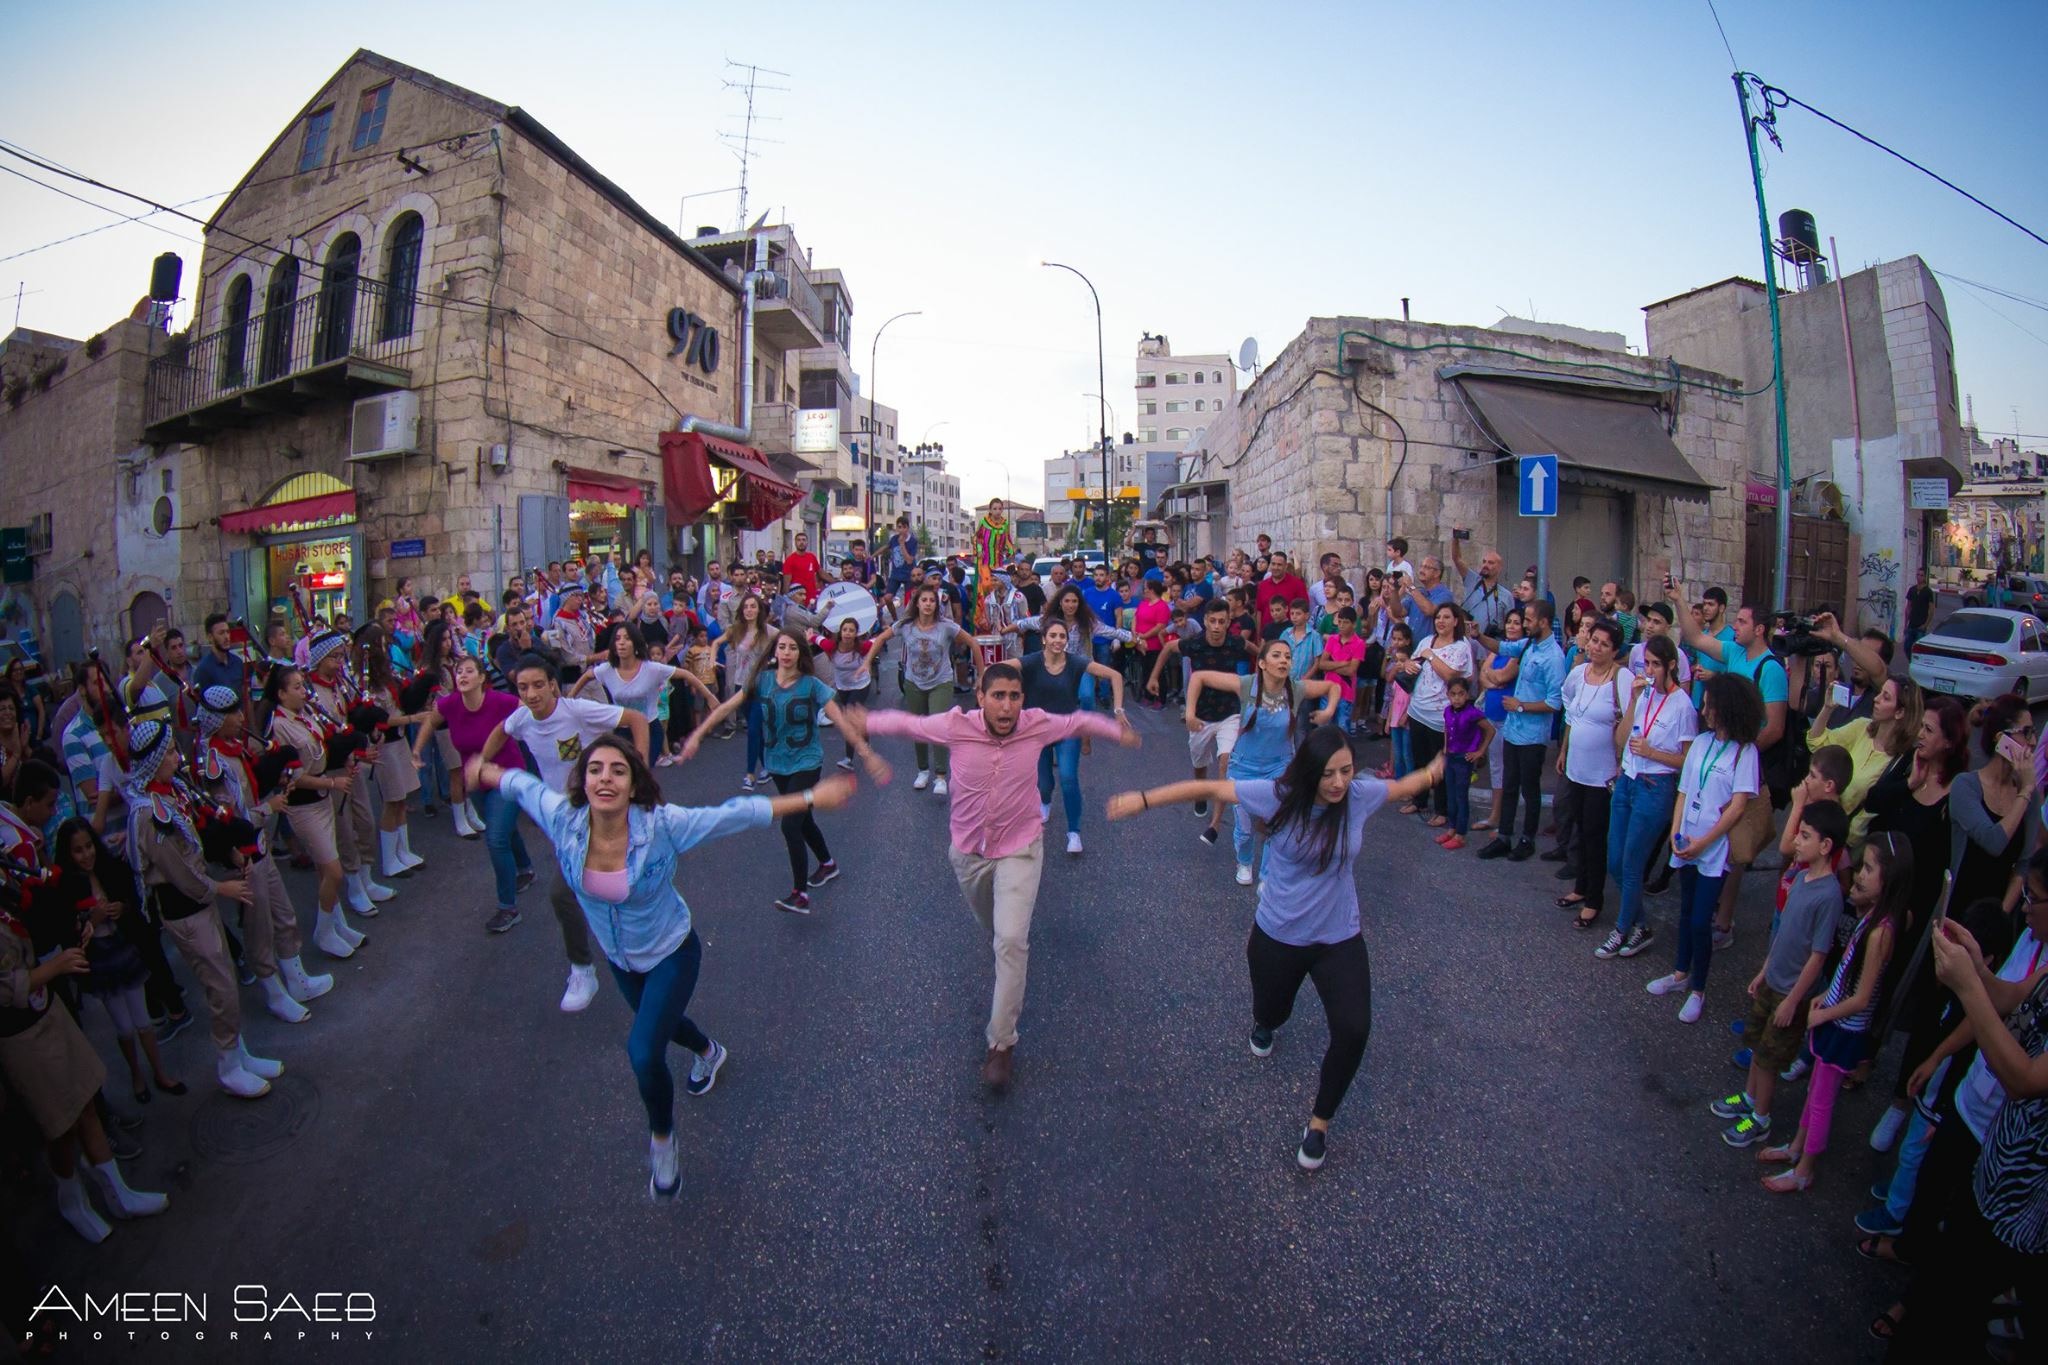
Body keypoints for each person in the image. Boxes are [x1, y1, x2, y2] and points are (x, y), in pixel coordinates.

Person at [467, 735, 856, 1196]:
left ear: (633, 785)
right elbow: (521, 784)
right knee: (665, 1027)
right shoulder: (564, 819)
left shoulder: (662, 826)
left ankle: (663, 1142)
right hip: (621, 960)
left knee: (643, 1050)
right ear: (583, 781)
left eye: (617, 770)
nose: (605, 778)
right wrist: (488, 771)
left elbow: (736, 814)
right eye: (595, 770)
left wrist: (811, 797)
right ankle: (709, 1051)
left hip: (672, 950)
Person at [1108, 729, 1445, 1170]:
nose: (1340, 783)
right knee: (1272, 1010)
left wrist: (1435, 771)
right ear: (1308, 773)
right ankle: (1266, 1023)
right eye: (1329, 775)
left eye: (1346, 771)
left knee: (1354, 1029)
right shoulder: (1277, 795)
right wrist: (1144, 800)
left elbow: (1405, 785)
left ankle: (1319, 1124)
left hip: (1339, 936)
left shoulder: (1358, 795)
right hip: (1279, 933)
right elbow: (1208, 786)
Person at [840, 665, 1137, 1089]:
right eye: (997, 695)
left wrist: (1115, 729)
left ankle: (1001, 1045)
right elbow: (912, 725)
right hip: (968, 853)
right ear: (980, 696)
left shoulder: (1035, 725)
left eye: (1015, 696)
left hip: (1021, 847)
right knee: (993, 927)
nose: (1007, 705)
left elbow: (1077, 720)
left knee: (1011, 942)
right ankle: (1001, 942)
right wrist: (869, 720)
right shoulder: (957, 726)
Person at [1, 820, 170, 1240]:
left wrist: (72, 934)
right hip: (20, 1031)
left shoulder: (9, 879)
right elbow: (8, 988)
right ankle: (71, 1200)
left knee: (85, 1102)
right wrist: (53, 967)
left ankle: (119, 1193)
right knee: (59, 1126)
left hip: (48, 1011)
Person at [120, 719, 279, 1098]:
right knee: (220, 985)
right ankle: (227, 1064)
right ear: (154, 760)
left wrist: (229, 851)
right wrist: (220, 887)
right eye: (171, 752)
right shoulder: (149, 814)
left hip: (199, 902)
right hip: (185, 908)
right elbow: (179, 873)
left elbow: (202, 835)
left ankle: (237, 1052)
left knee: (223, 974)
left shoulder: (172, 792)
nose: (178, 757)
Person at [481, 654, 649, 1011]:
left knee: (562, 892)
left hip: (597, 811)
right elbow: (502, 731)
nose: (531, 694)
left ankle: (583, 968)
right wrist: (483, 761)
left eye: (538, 685)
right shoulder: (522, 717)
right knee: (594, 886)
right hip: (561, 819)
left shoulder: (576, 711)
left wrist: (641, 770)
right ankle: (625, 945)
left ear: (553, 685)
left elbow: (635, 719)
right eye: (523, 687)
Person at [684, 630, 887, 912]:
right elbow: (726, 707)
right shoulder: (762, 681)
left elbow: (840, 721)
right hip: (777, 763)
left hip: (807, 762)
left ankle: (800, 894)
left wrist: (867, 754)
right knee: (802, 820)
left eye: (793, 648)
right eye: (782, 647)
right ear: (775, 652)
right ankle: (827, 864)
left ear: (801, 654)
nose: (787, 652)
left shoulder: (812, 686)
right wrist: (698, 734)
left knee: (790, 824)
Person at [1754, 813, 1903, 1193]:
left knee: (1820, 1101)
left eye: (1868, 868)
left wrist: (1821, 1012)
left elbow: (1864, 997)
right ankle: (1795, 1149)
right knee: (1811, 1093)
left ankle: (1804, 1169)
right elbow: (1844, 977)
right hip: (1830, 1017)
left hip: (1842, 1029)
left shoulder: (1881, 932)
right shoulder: (1869, 917)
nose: (1859, 875)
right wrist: (1825, 997)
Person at [1709, 801, 1853, 1149]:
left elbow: (1818, 957)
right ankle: (1748, 1099)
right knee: (1759, 1045)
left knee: (1772, 1058)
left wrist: (1792, 1000)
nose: (1796, 842)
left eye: (1805, 836)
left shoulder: (1830, 896)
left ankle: (1761, 1118)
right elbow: (1784, 930)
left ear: (1825, 846)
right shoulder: (1801, 877)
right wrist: (1763, 970)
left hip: (1791, 993)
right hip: (1772, 981)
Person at [192, 685, 332, 1019]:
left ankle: (296, 978)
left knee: (283, 913)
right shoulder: (214, 762)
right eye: (233, 713)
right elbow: (226, 819)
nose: (241, 717)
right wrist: (267, 809)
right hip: (244, 853)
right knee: (258, 926)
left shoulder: (234, 748)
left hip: (261, 845)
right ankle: (273, 990)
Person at [1670, 585, 1790, 952]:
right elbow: (1693, 636)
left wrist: (1739, 753)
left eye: (1742, 621)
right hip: (1721, 754)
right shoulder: (1735, 651)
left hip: (1744, 763)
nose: (1734, 626)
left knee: (1735, 841)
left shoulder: (1770, 669)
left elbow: (1774, 727)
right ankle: (1709, 909)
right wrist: (1677, 599)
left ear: (1760, 629)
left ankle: (1724, 919)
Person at [1645, 673, 1765, 1024]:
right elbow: (1684, 790)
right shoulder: (1700, 742)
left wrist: (1704, 841)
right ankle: (1680, 974)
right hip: (1686, 842)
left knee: (1701, 919)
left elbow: (1739, 806)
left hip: (1713, 848)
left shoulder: (1746, 752)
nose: (1704, 709)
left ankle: (1699, 988)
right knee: (1685, 913)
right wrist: (1676, 834)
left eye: (1710, 704)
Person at [1191, 638, 1342, 884]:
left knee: (1277, 825)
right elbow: (1199, 677)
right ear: (1262, 663)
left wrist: (1328, 711)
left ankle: (1267, 875)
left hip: (1280, 767)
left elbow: (1332, 688)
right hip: (1243, 767)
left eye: (1288, 656)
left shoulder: (1296, 689)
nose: (1284, 660)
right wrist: (1189, 713)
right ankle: (1245, 863)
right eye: (1277, 655)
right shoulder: (1247, 685)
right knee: (1245, 827)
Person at [415, 655, 535, 934]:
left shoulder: (499, 701)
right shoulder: (449, 704)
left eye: (469, 671)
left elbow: (527, 711)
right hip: (476, 781)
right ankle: (526, 868)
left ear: (482, 678)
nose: (463, 675)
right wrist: (415, 750)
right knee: (502, 829)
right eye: (459, 672)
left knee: (495, 838)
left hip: (508, 775)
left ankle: (508, 907)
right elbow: (430, 723)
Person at [1598, 635, 1699, 960]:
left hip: (1655, 787)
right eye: (1647, 664)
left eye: (1657, 664)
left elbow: (1687, 760)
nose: (1651, 671)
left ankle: (1622, 928)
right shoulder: (1643, 695)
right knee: (1614, 859)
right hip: (1628, 779)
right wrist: (1633, 700)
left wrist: (1654, 752)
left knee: (1632, 863)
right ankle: (1641, 924)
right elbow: (1620, 738)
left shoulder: (1683, 705)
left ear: (1670, 665)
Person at [262, 664, 365, 960]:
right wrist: (332, 782)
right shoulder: (278, 727)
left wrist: (344, 759)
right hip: (303, 804)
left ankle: (337, 924)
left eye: (302, 684)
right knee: (333, 870)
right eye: (295, 687)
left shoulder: (305, 714)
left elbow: (322, 748)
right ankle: (323, 931)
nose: (303, 691)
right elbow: (292, 775)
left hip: (321, 798)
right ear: (281, 694)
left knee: (325, 869)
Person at [1018, 620, 1128, 854]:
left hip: (1068, 728)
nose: (1058, 640)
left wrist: (1118, 710)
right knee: (1043, 782)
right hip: (1038, 731)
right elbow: (1000, 668)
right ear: (1044, 639)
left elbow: (1115, 676)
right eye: (1053, 636)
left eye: (1062, 636)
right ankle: (1045, 802)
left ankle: (1074, 833)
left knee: (1068, 777)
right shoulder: (1031, 661)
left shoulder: (1076, 662)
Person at [1150, 601, 1254, 846]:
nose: (1217, 627)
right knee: (1199, 763)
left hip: (1230, 712)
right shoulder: (1193, 644)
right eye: (1213, 621)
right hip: (1199, 715)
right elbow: (1167, 650)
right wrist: (1154, 676)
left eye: (1222, 621)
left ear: (1229, 623)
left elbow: (1260, 652)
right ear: (1205, 621)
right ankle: (1199, 791)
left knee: (1226, 761)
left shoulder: (1236, 642)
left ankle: (1215, 824)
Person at [1555, 619, 1631, 929]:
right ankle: (1581, 887)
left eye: (1603, 644)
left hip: (1603, 775)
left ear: (1614, 651)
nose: (1595, 647)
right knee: (1578, 829)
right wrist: (1563, 750)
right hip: (1576, 768)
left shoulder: (1621, 678)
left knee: (1595, 835)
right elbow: (1570, 710)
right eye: (1594, 641)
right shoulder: (1578, 674)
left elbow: (1629, 718)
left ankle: (1595, 900)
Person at [1396, 602, 1473, 829]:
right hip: (1418, 709)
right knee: (1419, 759)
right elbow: (1412, 663)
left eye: (1446, 617)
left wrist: (1430, 657)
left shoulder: (1461, 646)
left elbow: (1451, 676)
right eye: (1438, 617)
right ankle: (1419, 800)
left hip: (1442, 716)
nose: (1441, 621)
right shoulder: (1426, 641)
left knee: (1441, 763)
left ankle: (1442, 810)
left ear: (1456, 621)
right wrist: (1409, 664)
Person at [894, 585, 971, 795]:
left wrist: (981, 676)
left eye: (932, 600)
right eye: (924, 600)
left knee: (938, 725)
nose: (928, 604)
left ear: (937, 604)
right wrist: (865, 663)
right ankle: (922, 771)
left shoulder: (946, 626)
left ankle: (940, 776)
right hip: (914, 682)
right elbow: (882, 638)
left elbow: (972, 642)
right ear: (917, 603)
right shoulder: (906, 625)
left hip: (941, 682)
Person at [1449, 538, 1514, 637]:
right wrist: (1455, 538)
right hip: (1465, 639)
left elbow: (1510, 624)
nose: (1485, 565)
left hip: (1488, 644)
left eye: (1490, 563)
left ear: (1500, 567)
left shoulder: (1506, 595)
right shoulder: (1473, 580)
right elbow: (1457, 559)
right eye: (1484, 562)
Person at [1903, 568, 1936, 650]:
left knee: (1918, 649)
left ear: (1924, 577)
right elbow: (1908, 608)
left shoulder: (1928, 592)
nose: (1919, 577)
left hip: (1921, 626)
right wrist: (1905, 624)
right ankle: (1911, 661)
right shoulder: (1912, 590)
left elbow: (1931, 610)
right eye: (1918, 575)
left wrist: (1925, 625)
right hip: (1911, 625)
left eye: (1921, 575)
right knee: (1907, 647)